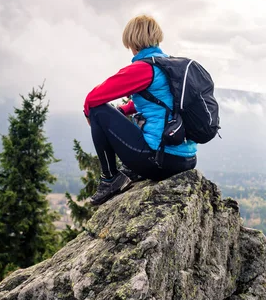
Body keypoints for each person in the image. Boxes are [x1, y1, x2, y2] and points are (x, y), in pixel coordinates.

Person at [84, 15, 197, 206]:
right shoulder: (168, 65)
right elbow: (160, 102)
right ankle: (130, 171)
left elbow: (92, 99)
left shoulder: (143, 69)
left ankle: (110, 178)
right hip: (186, 160)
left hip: (159, 161)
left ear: (132, 40)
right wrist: (125, 109)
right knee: (107, 111)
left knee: (97, 110)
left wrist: (92, 117)